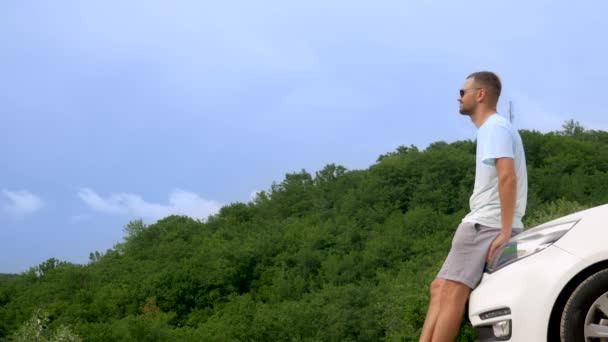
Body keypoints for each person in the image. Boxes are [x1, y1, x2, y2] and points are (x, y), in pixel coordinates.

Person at [418, 71, 528, 342]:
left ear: (481, 94)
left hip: (486, 225)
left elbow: (507, 177)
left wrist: (505, 231)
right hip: (485, 222)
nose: (459, 97)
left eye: (463, 91)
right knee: (439, 288)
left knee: (451, 292)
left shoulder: (494, 127)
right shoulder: (494, 129)